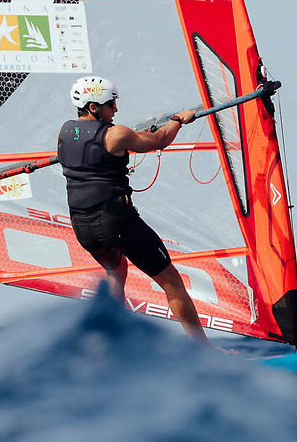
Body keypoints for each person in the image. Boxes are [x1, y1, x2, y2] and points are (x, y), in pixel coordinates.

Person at [57, 75, 212, 346]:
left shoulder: (65, 131)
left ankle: (110, 344)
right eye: (110, 104)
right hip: (116, 221)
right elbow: (160, 140)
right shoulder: (116, 134)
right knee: (172, 283)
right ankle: (205, 352)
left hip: (83, 227)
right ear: (93, 107)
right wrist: (178, 120)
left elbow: (91, 156)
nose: (115, 109)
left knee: (116, 271)